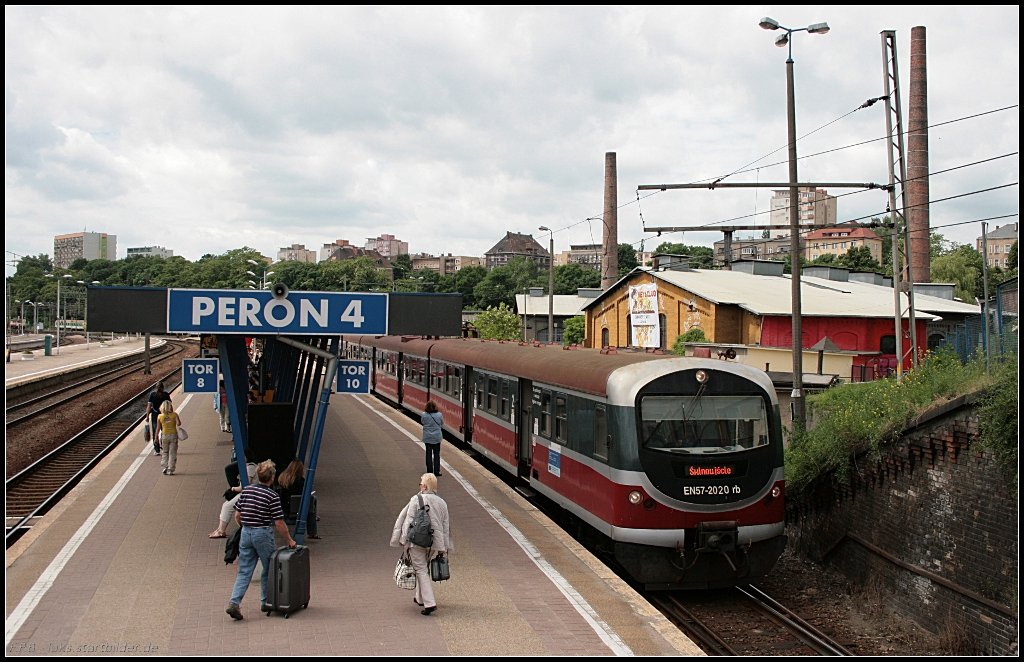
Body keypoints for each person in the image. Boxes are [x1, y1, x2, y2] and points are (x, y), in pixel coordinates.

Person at [225, 460, 296, 621]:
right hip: (263, 534)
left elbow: (238, 515)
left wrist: (246, 527)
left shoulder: (247, 491)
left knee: (244, 571)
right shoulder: (272, 496)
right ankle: (265, 601)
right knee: (269, 567)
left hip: (246, 533)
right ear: (272, 477)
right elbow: (279, 523)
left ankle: (234, 602)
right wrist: (289, 540)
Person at [390, 473, 453, 616]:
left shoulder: (416, 499)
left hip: (416, 541)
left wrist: (403, 541)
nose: (420, 486)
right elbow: (445, 526)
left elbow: (409, 522)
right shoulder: (442, 502)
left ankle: (430, 603)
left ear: (424, 486)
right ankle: (420, 597)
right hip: (433, 543)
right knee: (423, 567)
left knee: (420, 569)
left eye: (420, 484)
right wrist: (443, 548)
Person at [211, 450, 259, 538]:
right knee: (226, 505)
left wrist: (233, 489)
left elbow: (245, 485)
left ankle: (221, 531)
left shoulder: (250, 468)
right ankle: (220, 529)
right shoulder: (247, 466)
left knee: (227, 506)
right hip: (248, 493)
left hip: (250, 494)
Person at [277, 459, 319, 539]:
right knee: (312, 499)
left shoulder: (282, 479)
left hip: (284, 509)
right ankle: (312, 532)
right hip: (297, 511)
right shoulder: (301, 481)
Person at [156, 400, 182, 475]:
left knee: (165, 452)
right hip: (173, 435)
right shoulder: (174, 415)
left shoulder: (160, 416)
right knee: (172, 452)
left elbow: (158, 428)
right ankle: (170, 469)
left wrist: (156, 437)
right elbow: (179, 423)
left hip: (164, 436)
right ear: (170, 406)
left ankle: (165, 467)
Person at [146, 382, 171, 455]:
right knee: (165, 432)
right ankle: (164, 447)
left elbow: (149, 406)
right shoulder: (166, 395)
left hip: (155, 416)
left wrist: (147, 416)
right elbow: (169, 406)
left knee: (155, 433)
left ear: (156, 388)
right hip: (164, 416)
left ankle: (157, 450)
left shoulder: (152, 395)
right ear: (163, 387)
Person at [422, 400, 444, 477]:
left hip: (427, 437)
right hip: (436, 437)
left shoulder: (424, 415)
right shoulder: (439, 415)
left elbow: (423, 422)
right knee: (436, 454)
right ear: (435, 407)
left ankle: (429, 471)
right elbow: (441, 423)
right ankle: (437, 471)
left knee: (428, 454)